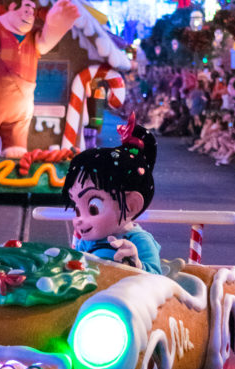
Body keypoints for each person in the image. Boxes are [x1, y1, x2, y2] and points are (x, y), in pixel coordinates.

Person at [0, 0, 79, 158]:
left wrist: (56, 26)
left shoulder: (32, 36)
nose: (29, 14)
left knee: (16, 148)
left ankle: (15, 163)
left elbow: (45, 43)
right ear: (12, 7)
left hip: (22, 107)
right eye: (26, 9)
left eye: (32, 11)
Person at [62, 112, 162, 273]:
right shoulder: (88, 240)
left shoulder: (139, 241)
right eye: (77, 209)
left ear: (131, 205)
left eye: (93, 208)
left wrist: (137, 264)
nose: (78, 220)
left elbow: (157, 279)